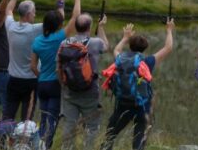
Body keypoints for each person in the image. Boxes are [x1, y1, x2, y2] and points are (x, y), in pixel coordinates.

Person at [101, 19, 174, 150]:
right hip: (142, 108)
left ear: (130, 46)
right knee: (138, 142)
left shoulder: (120, 59)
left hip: (122, 105)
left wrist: (125, 37)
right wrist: (169, 30)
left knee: (110, 136)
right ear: (145, 48)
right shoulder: (147, 62)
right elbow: (168, 48)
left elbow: (116, 49)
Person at [30, 0, 82, 148]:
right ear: (58, 25)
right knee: (52, 120)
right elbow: (75, 18)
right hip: (55, 84)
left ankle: (38, 144)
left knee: (43, 118)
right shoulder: (60, 37)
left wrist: (60, 4)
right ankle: (44, 146)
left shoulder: (38, 41)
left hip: (42, 84)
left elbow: (32, 66)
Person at [3, 0, 56, 121]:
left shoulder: (11, 27)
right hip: (31, 81)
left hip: (13, 79)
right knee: (27, 118)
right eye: (34, 12)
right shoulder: (35, 30)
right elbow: (55, 20)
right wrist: (60, 3)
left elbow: (8, 10)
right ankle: (23, 142)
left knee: (8, 115)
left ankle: (0, 140)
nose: (35, 14)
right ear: (28, 15)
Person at [59, 12, 108, 150]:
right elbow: (106, 46)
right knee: (92, 127)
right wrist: (102, 27)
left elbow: (59, 66)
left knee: (69, 125)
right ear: (89, 27)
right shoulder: (95, 42)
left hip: (69, 92)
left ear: (75, 27)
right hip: (90, 93)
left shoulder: (65, 43)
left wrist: (63, 84)